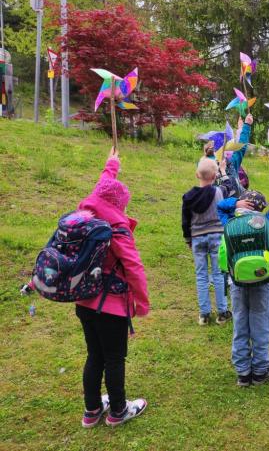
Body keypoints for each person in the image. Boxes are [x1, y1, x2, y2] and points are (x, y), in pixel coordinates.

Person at [75, 148, 150, 428]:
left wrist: (112, 164)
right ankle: (118, 410)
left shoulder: (86, 212)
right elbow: (133, 267)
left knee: (94, 355)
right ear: (118, 204)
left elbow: (103, 185)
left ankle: (92, 410)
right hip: (112, 304)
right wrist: (141, 304)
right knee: (115, 357)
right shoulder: (116, 226)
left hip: (83, 300)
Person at [217, 165, 269, 386]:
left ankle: (243, 373)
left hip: (237, 281)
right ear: (261, 208)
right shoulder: (266, 221)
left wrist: (233, 203)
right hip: (262, 279)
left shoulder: (229, 222)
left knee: (240, 322)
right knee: (260, 322)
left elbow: (219, 206)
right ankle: (261, 369)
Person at [182, 158, 229, 326]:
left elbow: (185, 222)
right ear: (214, 176)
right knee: (218, 274)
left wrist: (188, 239)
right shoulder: (219, 192)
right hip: (217, 236)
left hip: (197, 238)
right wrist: (223, 171)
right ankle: (222, 312)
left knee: (201, 275)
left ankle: (204, 314)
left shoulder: (187, 197)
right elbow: (231, 187)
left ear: (197, 174)